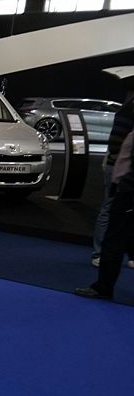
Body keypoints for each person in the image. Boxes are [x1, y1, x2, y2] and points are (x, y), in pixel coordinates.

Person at [75, 124, 134, 300]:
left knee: (113, 241)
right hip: (125, 190)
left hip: (128, 193)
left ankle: (103, 287)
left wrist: (124, 185)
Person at [91, 83, 134, 268]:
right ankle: (99, 253)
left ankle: (128, 254)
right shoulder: (125, 114)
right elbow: (115, 145)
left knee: (125, 212)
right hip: (119, 168)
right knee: (110, 209)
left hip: (124, 169)